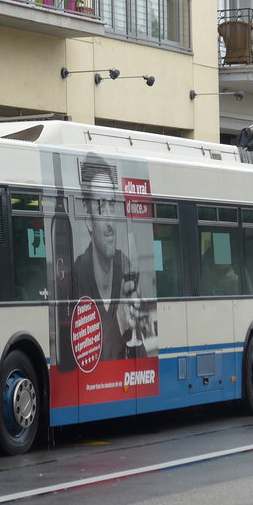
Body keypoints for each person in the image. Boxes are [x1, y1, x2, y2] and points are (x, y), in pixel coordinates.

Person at [71, 153, 155, 363]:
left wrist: (133, 329)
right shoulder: (74, 279)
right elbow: (81, 359)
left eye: (112, 205)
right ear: (87, 217)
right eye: (101, 207)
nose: (110, 221)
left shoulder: (125, 267)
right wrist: (119, 323)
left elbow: (143, 367)